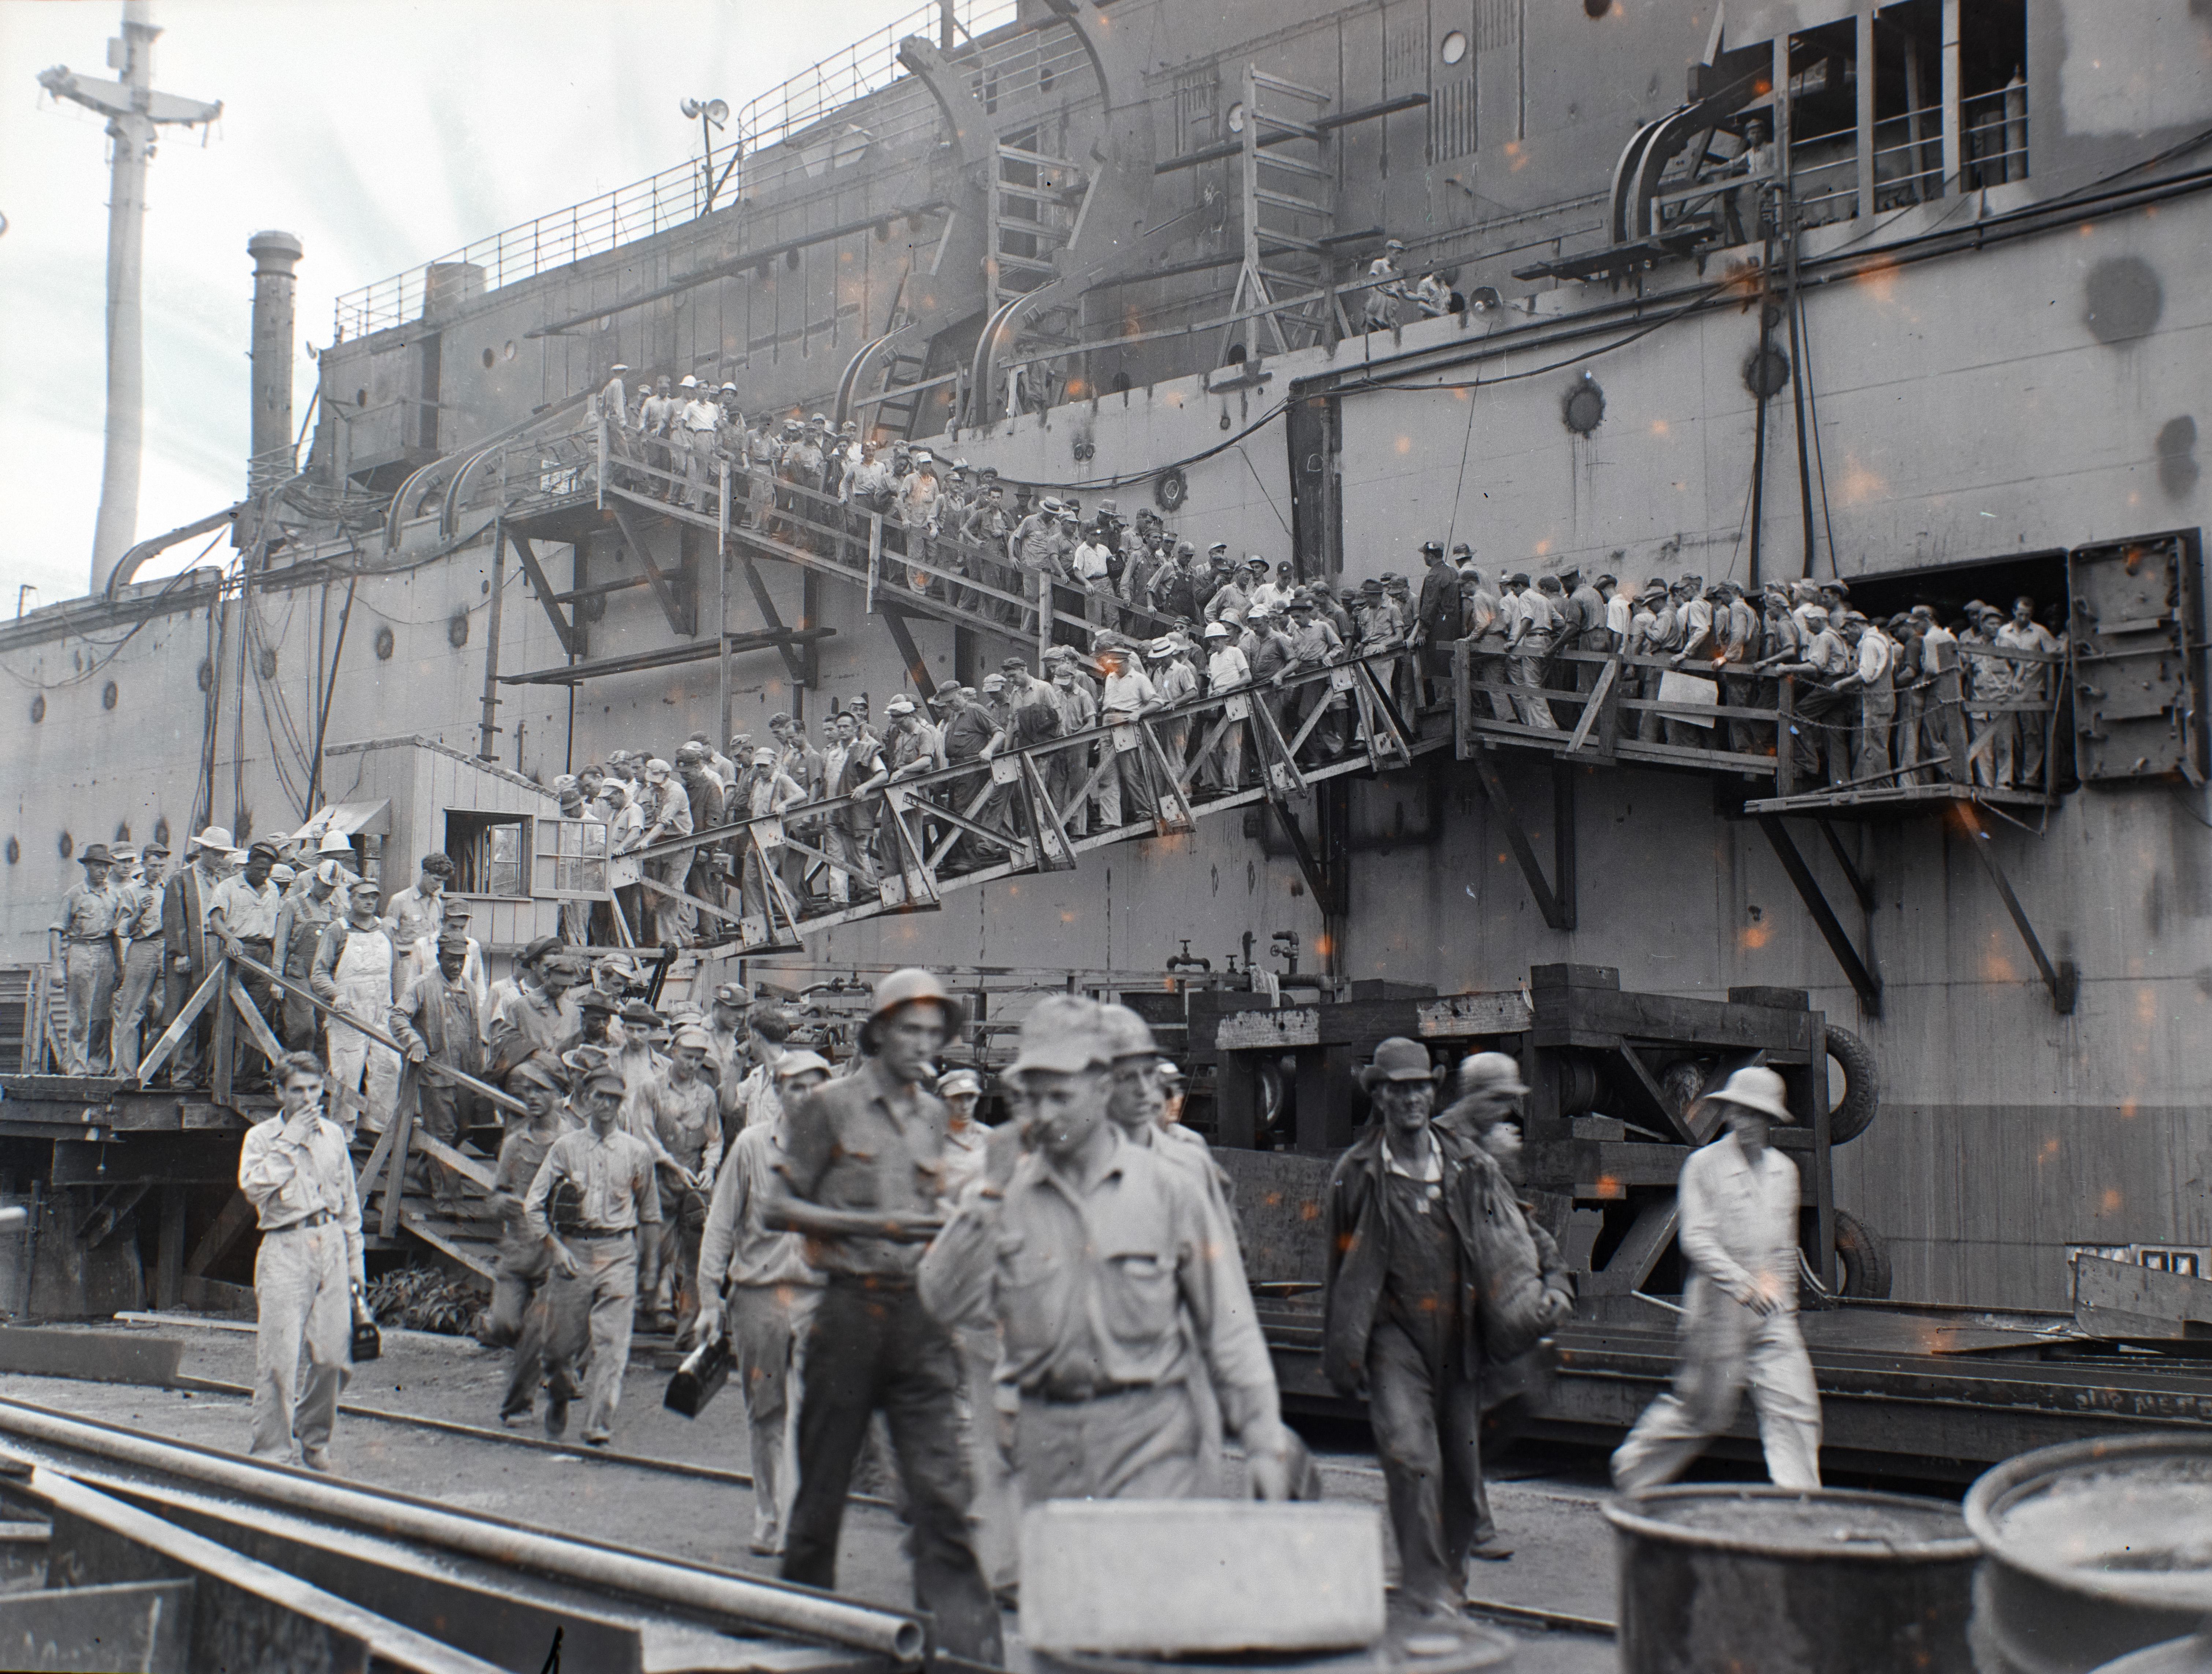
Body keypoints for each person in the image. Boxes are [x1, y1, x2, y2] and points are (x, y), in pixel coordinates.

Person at [919, 995, 1293, 1506]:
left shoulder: (1171, 1188)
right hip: (1044, 1444)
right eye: (1033, 1098)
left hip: (1151, 1440)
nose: (1043, 1115)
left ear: (1099, 1090)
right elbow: (940, 1300)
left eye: (1060, 1097)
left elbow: (1230, 1327)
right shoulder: (1006, 1194)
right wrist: (988, 1196)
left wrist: (1264, 1443)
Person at [765, 968, 1002, 1664]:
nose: (923, 1044)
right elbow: (777, 1207)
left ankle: (964, 1650)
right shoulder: (829, 1107)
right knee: (822, 1489)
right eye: (910, 1030)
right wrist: (874, 1223)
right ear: (879, 1032)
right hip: (847, 1313)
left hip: (918, 1318)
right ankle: (800, 1638)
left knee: (941, 1489)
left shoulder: (932, 1115)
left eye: (933, 1033)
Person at [1321, 1039, 1562, 1615]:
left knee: (1459, 1472)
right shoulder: (1355, 1173)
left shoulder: (1467, 1163)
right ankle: (1425, 1588)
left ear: (1433, 1092)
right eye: (1398, 1089)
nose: (1411, 1099)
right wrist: (1343, 1350)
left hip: (1458, 1333)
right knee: (1410, 1457)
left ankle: (1450, 1587)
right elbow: (1338, 1268)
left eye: (1419, 1088)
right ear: (1380, 1097)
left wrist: (1555, 1279)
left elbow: (1517, 1229)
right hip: (1393, 1338)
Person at [1611, 1067, 1822, 1494]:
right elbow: (1696, 1239)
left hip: (1770, 1312)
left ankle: (1798, 1500)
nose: (1745, 1121)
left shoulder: (1784, 1172)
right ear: (1727, 1113)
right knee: (1703, 1413)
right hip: (1716, 1314)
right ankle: (1632, 1475)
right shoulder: (1703, 1166)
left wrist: (1786, 1307)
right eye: (1738, 1111)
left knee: (1795, 1404)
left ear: (1769, 1119)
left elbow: (1784, 1248)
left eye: (1755, 1114)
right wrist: (1742, 1285)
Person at [692, 1047, 832, 1556]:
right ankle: (769, 1516)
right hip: (760, 1297)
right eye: (795, 1086)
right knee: (767, 1411)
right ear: (777, 1090)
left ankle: (800, 1518)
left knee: (813, 1412)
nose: (805, 1095)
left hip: (816, 1298)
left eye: (814, 1086)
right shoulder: (752, 1146)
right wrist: (709, 1299)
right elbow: (720, 1223)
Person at [524, 1062, 664, 1444]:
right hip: (574, 1252)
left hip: (619, 1251)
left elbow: (650, 1213)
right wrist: (554, 1247)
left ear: (621, 1104)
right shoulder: (566, 1147)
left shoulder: (636, 1152)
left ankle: (598, 1423)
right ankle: (558, 1392)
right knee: (558, 1349)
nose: (606, 1105)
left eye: (614, 1099)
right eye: (600, 1097)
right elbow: (533, 1204)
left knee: (612, 1346)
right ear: (586, 1099)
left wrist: (650, 1269)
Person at [238, 1050, 365, 1469]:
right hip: (285, 1246)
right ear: (280, 1092)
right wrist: (290, 1140)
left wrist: (355, 1264)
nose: (308, 1099)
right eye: (297, 1090)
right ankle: (272, 1454)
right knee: (279, 1359)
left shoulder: (334, 1135)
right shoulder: (261, 1138)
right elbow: (254, 1188)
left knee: (334, 1358)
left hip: (330, 1242)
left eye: (314, 1089)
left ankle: (313, 1435)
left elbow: (349, 1204)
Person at [480, 1058, 572, 1425]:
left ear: (559, 1095)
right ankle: (547, 1364)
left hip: (555, 1253)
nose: (531, 1097)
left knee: (536, 1330)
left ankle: (519, 1405)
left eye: (541, 1090)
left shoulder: (572, 1143)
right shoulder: (515, 1143)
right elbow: (494, 1195)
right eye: (527, 1090)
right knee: (504, 1326)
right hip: (518, 1253)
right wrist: (503, 1202)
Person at [389, 929, 488, 1213]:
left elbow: (474, 1031)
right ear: (439, 956)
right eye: (451, 959)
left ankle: (423, 1170)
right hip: (436, 1073)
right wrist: (414, 1041)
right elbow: (397, 1016)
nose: (456, 965)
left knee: (463, 1129)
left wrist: (479, 1069)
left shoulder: (469, 987)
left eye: (461, 959)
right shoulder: (423, 985)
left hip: (465, 1073)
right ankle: (448, 1198)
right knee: (443, 1132)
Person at [637, 1023, 724, 1339]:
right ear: (673, 1052)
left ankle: (687, 1319)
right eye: (687, 1057)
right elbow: (644, 1132)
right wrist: (669, 1163)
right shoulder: (651, 1089)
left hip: (692, 1178)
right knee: (659, 1244)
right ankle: (656, 1308)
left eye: (698, 1059)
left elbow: (714, 1138)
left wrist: (709, 1169)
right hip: (659, 1174)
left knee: (694, 1250)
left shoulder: (706, 1095)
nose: (692, 1064)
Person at [311, 881, 401, 1137]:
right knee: (347, 1071)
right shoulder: (337, 930)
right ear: (351, 899)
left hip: (382, 1009)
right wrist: (336, 994)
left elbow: (396, 972)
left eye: (374, 897)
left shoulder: (385, 929)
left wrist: (400, 1006)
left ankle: (377, 1128)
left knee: (389, 1066)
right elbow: (318, 974)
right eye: (363, 897)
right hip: (349, 1011)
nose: (369, 902)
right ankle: (342, 1131)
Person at [208, 840, 284, 1087]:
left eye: (268, 870)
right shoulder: (228, 887)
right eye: (260, 869)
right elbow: (215, 919)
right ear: (248, 865)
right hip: (238, 952)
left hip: (264, 951)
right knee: (228, 1012)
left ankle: (250, 1076)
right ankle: (219, 1075)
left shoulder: (273, 889)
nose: (264, 875)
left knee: (261, 1014)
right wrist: (229, 938)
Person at [55, 842, 122, 1076]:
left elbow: (116, 934)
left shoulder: (115, 895)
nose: (103, 871)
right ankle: (76, 1066)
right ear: (87, 867)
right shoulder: (74, 895)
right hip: (81, 951)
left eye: (106, 867)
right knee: (80, 1014)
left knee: (103, 1015)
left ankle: (97, 1065)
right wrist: (57, 967)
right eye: (97, 866)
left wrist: (120, 966)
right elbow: (57, 930)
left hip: (106, 953)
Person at [110, 839, 170, 1076]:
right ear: (143, 864)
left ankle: (153, 1070)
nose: (157, 870)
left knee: (162, 1011)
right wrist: (138, 913)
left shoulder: (169, 889)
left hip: (165, 947)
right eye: (153, 865)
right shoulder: (131, 891)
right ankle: (126, 1071)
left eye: (162, 866)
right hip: (142, 947)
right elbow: (122, 929)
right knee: (133, 1010)